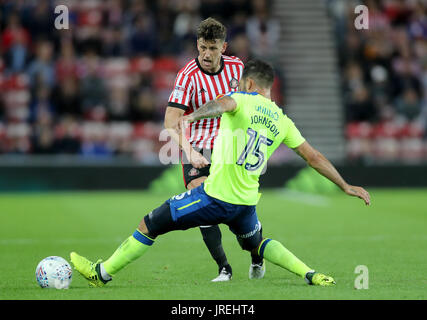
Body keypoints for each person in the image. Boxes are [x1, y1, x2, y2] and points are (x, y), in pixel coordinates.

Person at [70, 59, 371, 288]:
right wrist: (345, 185)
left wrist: (192, 116)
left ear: (250, 84)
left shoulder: (241, 99)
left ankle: (101, 274)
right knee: (257, 243)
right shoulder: (283, 120)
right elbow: (313, 157)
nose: (238, 87)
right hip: (246, 202)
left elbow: (220, 103)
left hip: (216, 197)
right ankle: (311, 274)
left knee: (149, 224)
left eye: (241, 84)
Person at [164, 17, 257, 282]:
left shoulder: (238, 69)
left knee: (240, 212)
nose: (206, 54)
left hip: (232, 147)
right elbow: (170, 122)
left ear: (224, 47)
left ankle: (256, 254)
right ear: (197, 45)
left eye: (213, 48)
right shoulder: (187, 76)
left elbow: (251, 104)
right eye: (203, 47)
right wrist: (190, 151)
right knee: (201, 202)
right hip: (199, 149)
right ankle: (224, 268)